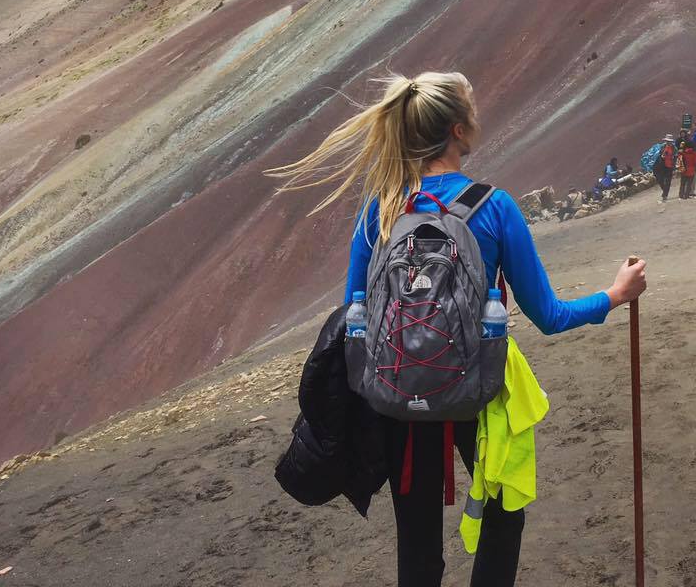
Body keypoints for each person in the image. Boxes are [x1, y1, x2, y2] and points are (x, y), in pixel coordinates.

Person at [264, 71, 647, 587]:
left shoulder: (379, 211)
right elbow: (549, 318)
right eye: (473, 109)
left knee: (417, 546)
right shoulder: (495, 209)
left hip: (400, 396)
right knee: (504, 515)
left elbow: (356, 313)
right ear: (459, 132)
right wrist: (614, 296)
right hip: (481, 396)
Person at [653, 135, 675, 202]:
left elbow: (676, 155)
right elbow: (660, 154)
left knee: (668, 181)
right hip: (662, 166)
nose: (668, 142)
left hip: (670, 166)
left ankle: (665, 195)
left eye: (669, 141)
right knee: (661, 180)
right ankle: (665, 191)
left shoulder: (674, 148)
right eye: (667, 141)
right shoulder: (663, 146)